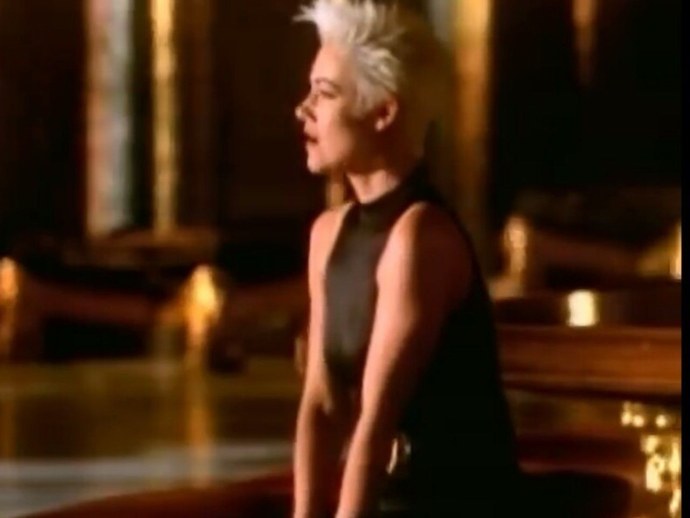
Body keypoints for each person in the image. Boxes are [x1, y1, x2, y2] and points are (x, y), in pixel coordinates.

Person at [292, 1, 522, 516]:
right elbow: (322, 405)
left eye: (325, 93)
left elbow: (376, 422)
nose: (303, 109)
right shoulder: (327, 234)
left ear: (383, 112)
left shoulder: (420, 237)